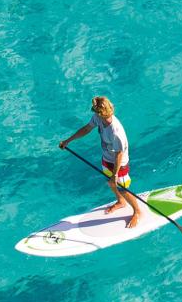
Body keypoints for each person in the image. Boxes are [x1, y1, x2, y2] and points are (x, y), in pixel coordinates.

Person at [59, 96, 141, 228]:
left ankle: (137, 211)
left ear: (101, 113)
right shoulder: (98, 118)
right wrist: (68, 141)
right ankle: (121, 201)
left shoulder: (116, 131)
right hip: (107, 158)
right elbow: (86, 129)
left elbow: (119, 154)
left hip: (119, 164)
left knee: (123, 189)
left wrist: (115, 174)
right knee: (110, 182)